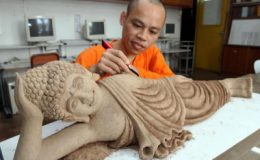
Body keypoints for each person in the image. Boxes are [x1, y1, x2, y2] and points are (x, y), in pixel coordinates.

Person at [14, 61, 252, 160]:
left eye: (78, 85)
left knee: (195, 88)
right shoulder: (92, 126)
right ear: (72, 117)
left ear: (85, 73)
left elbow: (146, 81)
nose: (85, 97)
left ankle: (231, 84)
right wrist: (32, 119)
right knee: (205, 99)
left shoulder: (105, 80)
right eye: (74, 103)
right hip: (173, 111)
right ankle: (230, 86)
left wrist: (171, 81)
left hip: (169, 88)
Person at [76, 0, 174, 79]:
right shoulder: (89, 56)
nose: (143, 36)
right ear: (123, 19)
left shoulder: (152, 53)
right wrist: (92, 71)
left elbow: (173, 83)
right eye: (137, 25)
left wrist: (136, 73)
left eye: (152, 32)